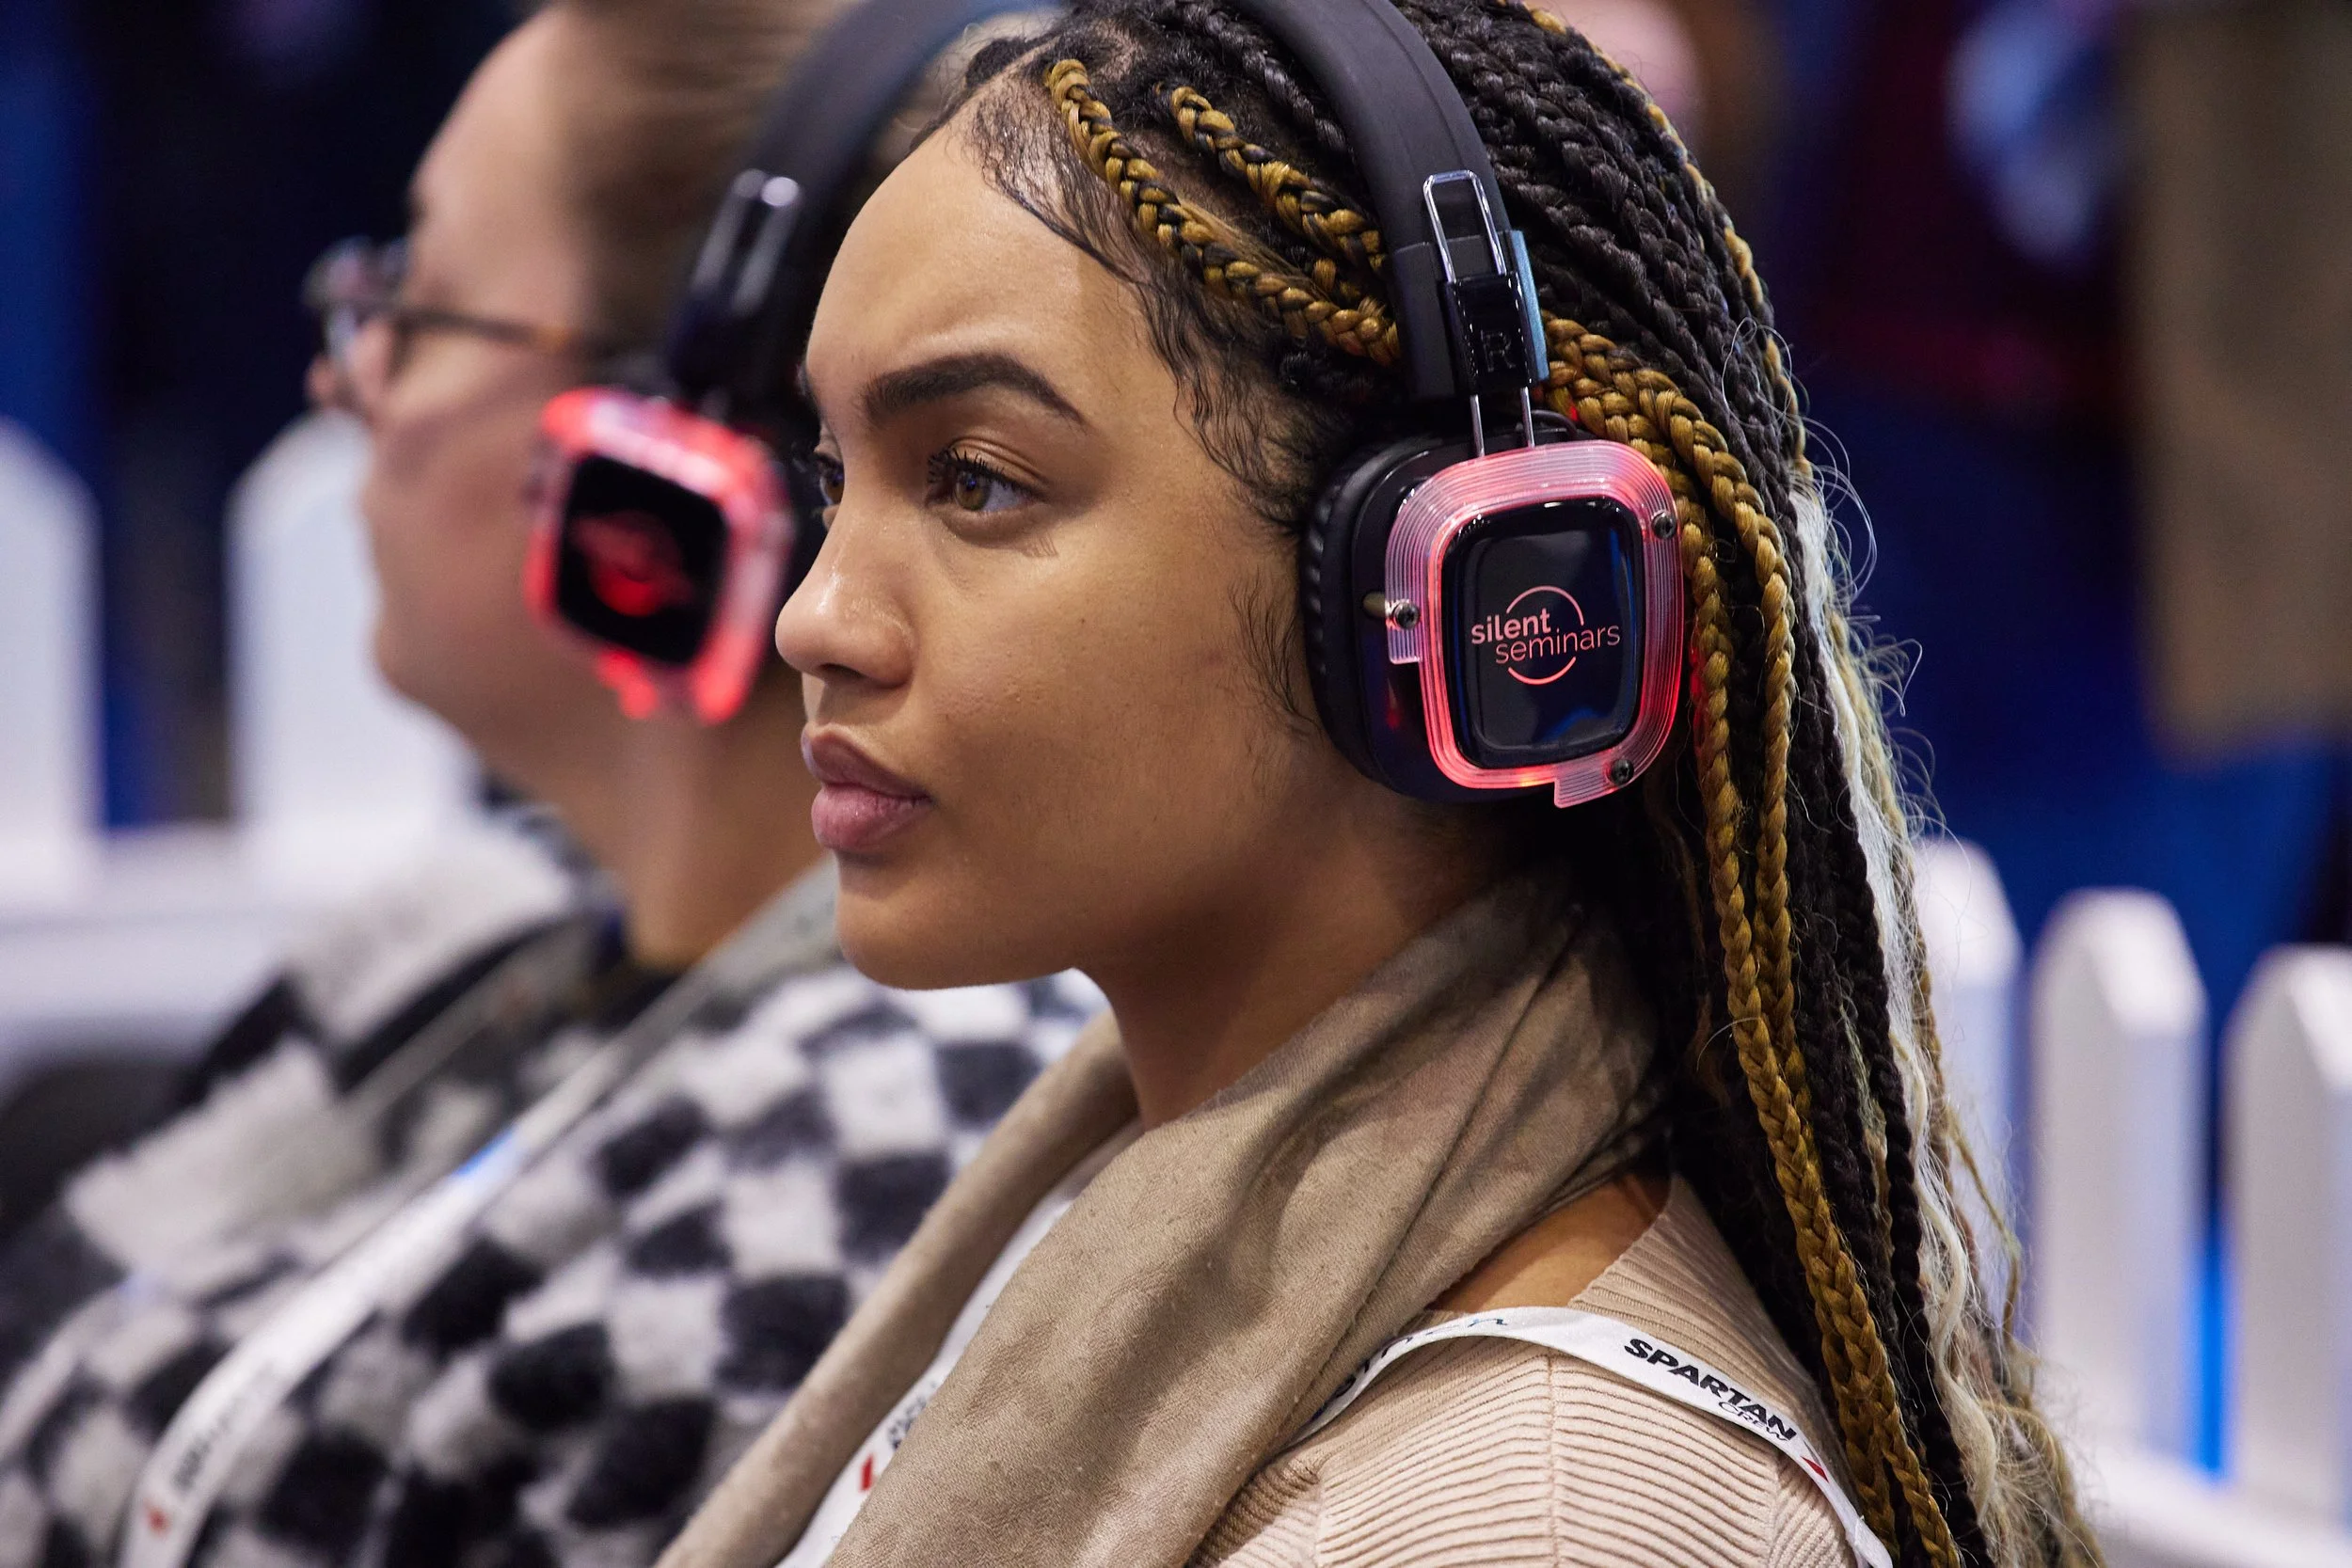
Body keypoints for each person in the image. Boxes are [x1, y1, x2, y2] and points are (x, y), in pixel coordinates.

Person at [660, 1, 2099, 1564]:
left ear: (1445, 585)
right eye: (835, 480)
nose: (816, 615)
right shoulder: (1136, 1214)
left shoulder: (1536, 1520)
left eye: (978, 481)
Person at [0, 5, 1087, 1567]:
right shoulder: (483, 927)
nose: (347, 377)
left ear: (666, 472)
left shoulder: (871, 1168)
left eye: (422, 302)